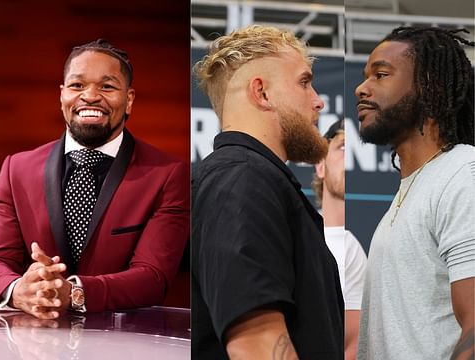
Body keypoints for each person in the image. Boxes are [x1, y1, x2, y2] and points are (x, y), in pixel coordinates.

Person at [0, 39, 189, 320]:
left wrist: (74, 292)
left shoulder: (168, 174)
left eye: (107, 86)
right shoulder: (17, 168)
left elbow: (153, 277)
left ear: (129, 100)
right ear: (61, 95)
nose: (90, 96)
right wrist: (18, 290)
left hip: (124, 342)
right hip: (32, 342)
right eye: (77, 86)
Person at [192, 25, 344, 359]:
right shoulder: (242, 180)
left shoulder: (255, 179)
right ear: (262, 93)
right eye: (304, 82)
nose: (318, 100)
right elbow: (256, 345)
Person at [355, 26, 474, 359]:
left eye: (381, 74)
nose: (361, 89)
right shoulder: (413, 190)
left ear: (429, 85)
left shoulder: (463, 173)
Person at [311, 119, 367, 360]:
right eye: (343, 147)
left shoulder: (351, 248)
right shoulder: (295, 230)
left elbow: (351, 347)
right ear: (320, 165)